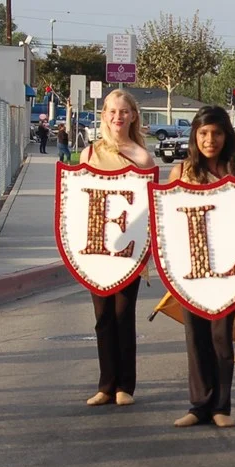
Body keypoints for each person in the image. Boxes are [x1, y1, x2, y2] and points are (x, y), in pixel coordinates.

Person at [168, 106, 235, 429]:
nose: (210, 139)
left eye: (216, 133)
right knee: (195, 335)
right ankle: (199, 404)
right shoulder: (182, 172)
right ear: (194, 136)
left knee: (220, 337)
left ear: (226, 135)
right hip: (191, 268)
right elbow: (168, 221)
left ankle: (221, 406)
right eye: (203, 133)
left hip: (227, 268)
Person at [79, 89, 157, 408]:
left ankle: (126, 384)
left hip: (129, 248)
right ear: (104, 115)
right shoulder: (89, 154)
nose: (117, 117)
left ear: (133, 116)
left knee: (124, 315)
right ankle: (105, 384)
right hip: (97, 248)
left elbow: (149, 207)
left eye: (123, 112)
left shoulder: (142, 156)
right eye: (112, 111)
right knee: (103, 317)